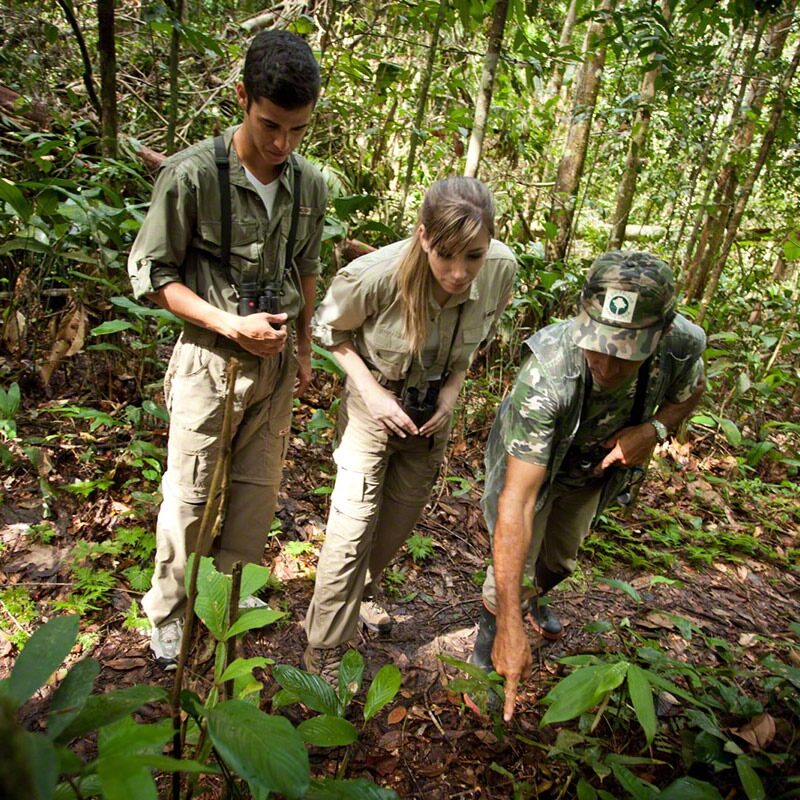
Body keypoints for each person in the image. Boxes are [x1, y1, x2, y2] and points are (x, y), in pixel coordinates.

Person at [128, 30, 328, 669]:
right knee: (189, 498)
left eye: (298, 130)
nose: (282, 144)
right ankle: (168, 613)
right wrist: (228, 323)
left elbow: (306, 268)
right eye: (271, 125)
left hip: (273, 373)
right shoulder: (191, 177)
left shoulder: (310, 186)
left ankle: (224, 608)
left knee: (254, 499)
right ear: (242, 98)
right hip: (208, 362)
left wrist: (301, 351)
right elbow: (152, 277)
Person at [469, 251, 706, 720]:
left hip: (593, 470)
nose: (607, 363)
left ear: (660, 334)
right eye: (597, 344)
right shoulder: (548, 371)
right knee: (512, 568)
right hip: (535, 462)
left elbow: (691, 393)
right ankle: (486, 650)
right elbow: (516, 503)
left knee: (559, 560)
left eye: (626, 352)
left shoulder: (683, 344)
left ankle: (534, 600)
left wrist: (653, 431)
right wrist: (509, 627)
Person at [304, 177, 518, 679]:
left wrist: (452, 392)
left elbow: (477, 338)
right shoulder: (375, 276)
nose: (460, 272)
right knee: (351, 529)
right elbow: (328, 330)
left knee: (397, 524)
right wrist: (373, 394)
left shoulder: (501, 269)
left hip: (430, 416)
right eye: (447, 255)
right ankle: (323, 650)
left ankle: (358, 596)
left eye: (474, 256)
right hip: (372, 404)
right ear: (424, 237)